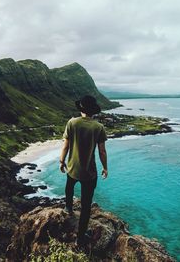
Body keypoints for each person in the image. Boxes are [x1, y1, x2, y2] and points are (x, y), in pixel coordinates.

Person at [59, 95, 108, 246]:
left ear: (81, 109)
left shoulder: (72, 123)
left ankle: (68, 207)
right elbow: (102, 151)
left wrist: (62, 161)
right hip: (89, 171)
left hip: (73, 167)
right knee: (86, 206)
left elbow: (66, 145)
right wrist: (105, 167)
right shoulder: (98, 127)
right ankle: (80, 238)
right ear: (93, 111)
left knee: (69, 187)